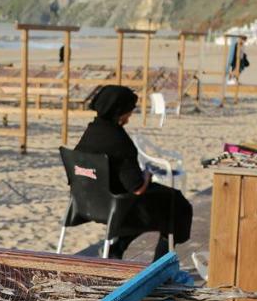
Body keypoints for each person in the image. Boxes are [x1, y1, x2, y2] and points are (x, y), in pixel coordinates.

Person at [73, 85, 193, 260]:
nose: (131, 114)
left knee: (161, 201)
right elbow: (137, 187)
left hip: (85, 204)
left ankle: (117, 247)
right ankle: (160, 262)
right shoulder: (119, 140)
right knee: (177, 205)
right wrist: (147, 175)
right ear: (120, 111)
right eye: (130, 110)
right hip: (117, 207)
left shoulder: (90, 132)